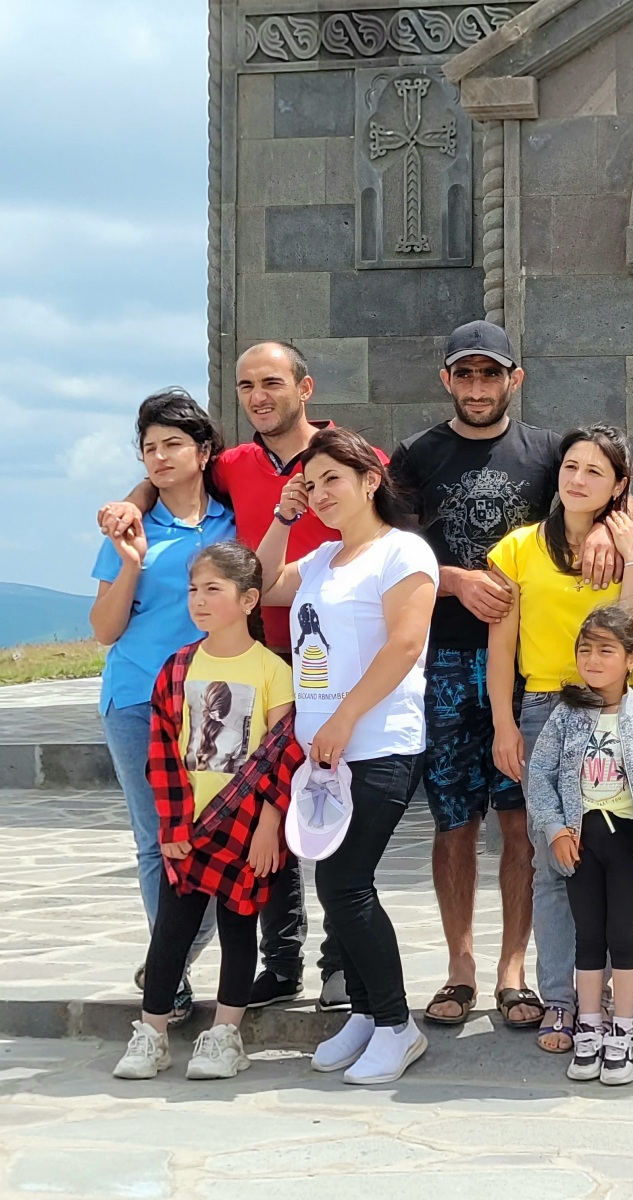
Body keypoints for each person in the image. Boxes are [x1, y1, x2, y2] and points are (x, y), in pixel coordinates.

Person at [98, 341, 364, 1012]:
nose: (257, 396)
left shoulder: (338, 459)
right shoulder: (222, 474)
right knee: (192, 832)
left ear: (305, 387)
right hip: (184, 684)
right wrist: (131, 512)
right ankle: (240, 968)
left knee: (294, 822)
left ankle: (330, 966)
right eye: (246, 386)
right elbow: (168, 478)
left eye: (270, 381)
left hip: (292, 675)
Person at [388, 321, 619, 1033]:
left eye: (491, 373)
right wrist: (455, 579)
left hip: (527, 669)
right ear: (446, 380)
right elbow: (390, 549)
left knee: (523, 821)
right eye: (465, 374)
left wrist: (605, 526)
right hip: (447, 658)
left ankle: (512, 971)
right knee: (455, 821)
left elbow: (603, 494)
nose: (478, 386)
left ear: (515, 378)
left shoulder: (548, 453)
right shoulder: (415, 455)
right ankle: (460, 967)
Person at [257, 426, 439, 1085]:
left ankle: (396, 1025)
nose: (320, 493)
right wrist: (283, 518)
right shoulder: (322, 558)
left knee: (345, 883)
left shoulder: (403, 552)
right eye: (311, 484)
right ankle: (364, 1013)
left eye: (333, 479)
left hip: (379, 742)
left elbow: (404, 645)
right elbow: (261, 586)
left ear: (370, 480)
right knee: (336, 883)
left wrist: (344, 717)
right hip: (324, 753)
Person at [486, 424, 633, 1052]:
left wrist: (631, 550)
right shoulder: (519, 548)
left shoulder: (631, 540)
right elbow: (500, 649)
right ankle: (561, 999)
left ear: (619, 485)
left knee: (614, 864)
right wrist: (504, 724)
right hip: (542, 709)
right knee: (554, 861)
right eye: (571, 467)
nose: (578, 480)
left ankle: (600, 996)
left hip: (616, 712)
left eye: (595, 472)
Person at [113, 541, 303, 1080]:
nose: (198, 600)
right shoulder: (177, 668)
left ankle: (224, 1035)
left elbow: (283, 754)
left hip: (247, 826)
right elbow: (162, 752)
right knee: (171, 931)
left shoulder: (273, 670)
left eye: (213, 589)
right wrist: (173, 823)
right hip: (189, 826)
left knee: (239, 928)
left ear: (248, 600)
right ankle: (152, 1033)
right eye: (193, 589)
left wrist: (270, 826)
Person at [90, 388, 235, 1026]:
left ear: (204, 452)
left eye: (173, 444)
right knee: (158, 842)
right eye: (149, 448)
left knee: (217, 839)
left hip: (216, 702)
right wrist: (131, 563)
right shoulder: (132, 527)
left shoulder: (234, 520)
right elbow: (104, 628)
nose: (159, 457)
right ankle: (170, 980)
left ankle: (166, 961)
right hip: (135, 697)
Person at [526, 607, 633, 1086]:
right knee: (588, 935)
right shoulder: (566, 715)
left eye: (605, 650)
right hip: (580, 844)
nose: (593, 660)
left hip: (628, 843)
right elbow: (541, 775)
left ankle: (623, 1029)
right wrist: (556, 829)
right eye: (585, 650)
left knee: (623, 934)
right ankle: (589, 1025)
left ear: (631, 659)